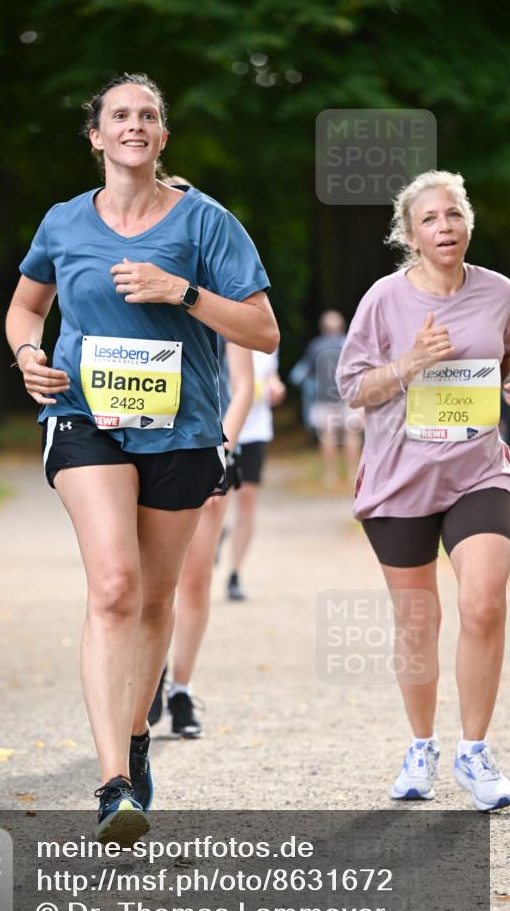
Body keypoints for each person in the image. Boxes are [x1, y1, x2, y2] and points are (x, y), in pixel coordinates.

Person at [5, 73, 279, 843]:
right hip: (82, 418)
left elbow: (261, 333)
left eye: (148, 116)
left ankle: (134, 733)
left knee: (155, 599)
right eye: (119, 115)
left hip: (181, 433)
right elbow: (27, 305)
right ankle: (112, 784)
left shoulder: (207, 222)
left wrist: (180, 291)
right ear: (96, 136)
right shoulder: (62, 222)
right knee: (116, 585)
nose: (133, 126)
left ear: (162, 138)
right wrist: (29, 353)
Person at [336, 170, 510, 812]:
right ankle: (421, 746)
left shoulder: (500, 294)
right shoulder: (384, 300)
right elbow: (353, 387)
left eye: (454, 215)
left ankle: (475, 750)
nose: (446, 227)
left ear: (469, 224)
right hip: (400, 478)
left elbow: (505, 361)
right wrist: (410, 363)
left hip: (478, 473)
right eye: (431, 219)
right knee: (417, 624)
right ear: (410, 235)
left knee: (485, 601)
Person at [151, 336, 254, 737]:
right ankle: (149, 672)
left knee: (195, 578)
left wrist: (220, 451)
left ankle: (181, 689)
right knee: (148, 582)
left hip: (209, 445)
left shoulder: (220, 291)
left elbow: (243, 385)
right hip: (146, 444)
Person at [226, 350, 285, 601]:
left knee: (247, 499)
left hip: (255, 432)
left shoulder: (263, 335)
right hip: (222, 432)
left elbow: (271, 375)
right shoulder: (219, 333)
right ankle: (207, 554)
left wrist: (276, 387)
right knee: (213, 501)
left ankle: (234, 573)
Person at [297, 311, 363, 487]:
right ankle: (352, 474)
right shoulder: (350, 344)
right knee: (352, 434)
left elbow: (304, 373)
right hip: (349, 396)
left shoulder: (315, 346)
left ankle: (330, 475)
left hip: (324, 398)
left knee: (327, 436)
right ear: (342, 327)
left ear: (323, 328)